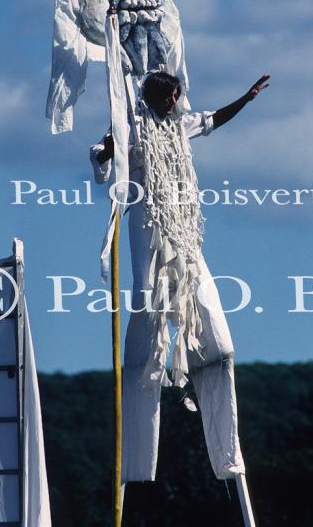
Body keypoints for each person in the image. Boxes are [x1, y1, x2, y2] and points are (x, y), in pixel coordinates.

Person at [90, 71, 270, 484]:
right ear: (152, 96)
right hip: (148, 230)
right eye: (168, 95)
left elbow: (210, 120)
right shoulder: (131, 128)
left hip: (184, 237)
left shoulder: (177, 125)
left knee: (219, 345)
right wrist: (113, 148)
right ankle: (138, 466)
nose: (174, 101)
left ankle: (225, 452)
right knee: (148, 327)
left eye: (177, 95)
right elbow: (100, 161)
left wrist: (246, 98)